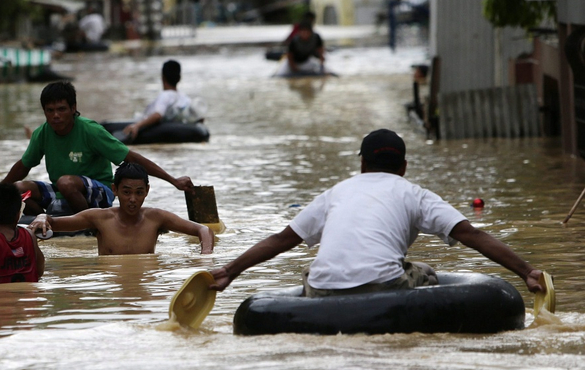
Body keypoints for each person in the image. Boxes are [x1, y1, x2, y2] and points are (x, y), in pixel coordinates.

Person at [209, 129, 545, 297]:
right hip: (383, 288)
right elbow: (472, 235)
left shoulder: (336, 192)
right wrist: (526, 271)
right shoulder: (415, 194)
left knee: (313, 267)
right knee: (425, 271)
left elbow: (282, 239)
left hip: (323, 291)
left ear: (362, 164)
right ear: (403, 167)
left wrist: (229, 271)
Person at [1, 81, 194, 217]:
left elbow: (131, 158)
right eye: (50, 111)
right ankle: (45, 221)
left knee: (66, 182)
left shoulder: (90, 130)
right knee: (17, 190)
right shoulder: (41, 133)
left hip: (99, 192)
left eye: (61, 109)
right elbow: (23, 166)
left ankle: (90, 223)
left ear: (73, 108)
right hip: (62, 190)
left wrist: (173, 180)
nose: (56, 116)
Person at [28, 162, 214, 255]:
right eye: (126, 192)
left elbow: (202, 229)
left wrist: (205, 256)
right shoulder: (99, 218)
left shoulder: (156, 217)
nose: (132, 199)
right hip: (111, 283)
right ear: (115, 190)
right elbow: (53, 222)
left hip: (146, 283)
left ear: (147, 191)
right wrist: (42, 217)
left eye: (139, 192)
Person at [122, 60, 204, 141]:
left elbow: (158, 115)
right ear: (179, 78)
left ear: (162, 77)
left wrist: (137, 126)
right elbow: (199, 118)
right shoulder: (185, 98)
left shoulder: (165, 95)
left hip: (158, 129)